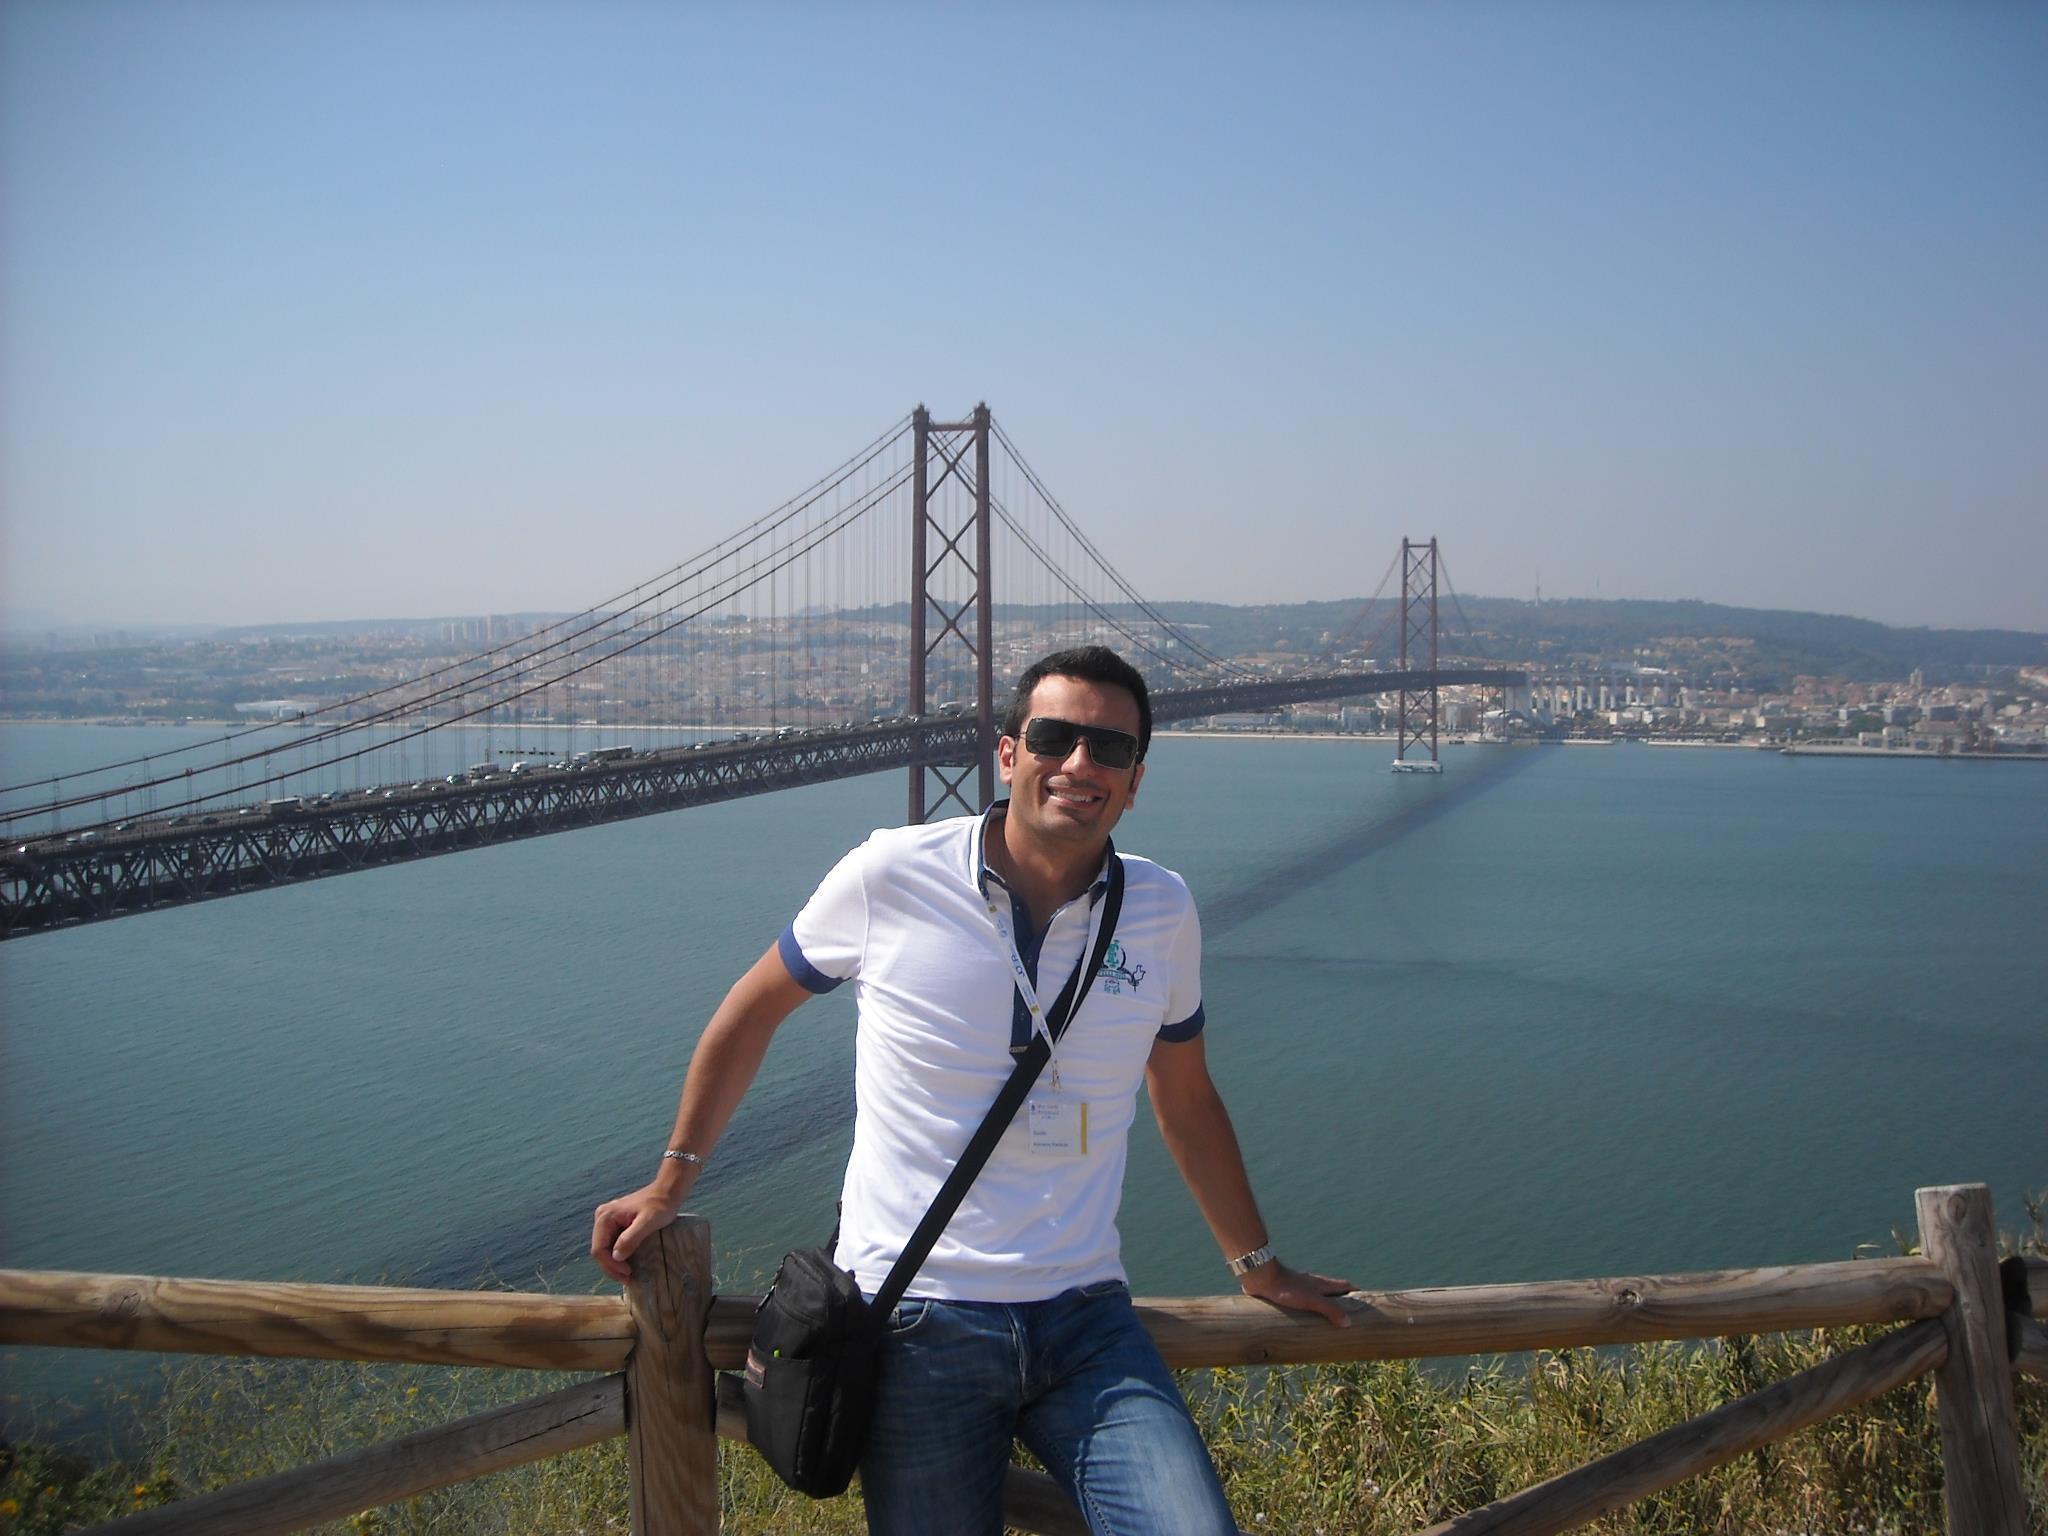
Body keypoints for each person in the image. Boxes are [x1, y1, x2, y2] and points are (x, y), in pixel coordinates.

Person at [591, 644, 1352, 1536]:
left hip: (1087, 1319)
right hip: (918, 1318)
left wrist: (1259, 1266)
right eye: (1055, 738)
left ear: (1136, 782)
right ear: (1008, 753)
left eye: (1109, 749)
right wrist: (672, 1180)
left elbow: (1185, 1098)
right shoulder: (891, 873)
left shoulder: (1162, 907)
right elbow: (750, 1013)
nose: (1079, 764)